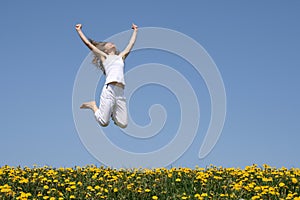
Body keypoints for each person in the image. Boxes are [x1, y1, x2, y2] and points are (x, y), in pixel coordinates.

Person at [75, 23, 138, 128]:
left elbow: (130, 45)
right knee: (104, 122)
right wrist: (79, 31)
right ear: (105, 50)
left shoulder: (121, 57)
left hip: (120, 92)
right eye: (108, 44)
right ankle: (93, 106)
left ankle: (113, 112)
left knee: (123, 124)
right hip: (110, 90)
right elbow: (88, 44)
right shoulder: (104, 57)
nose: (111, 43)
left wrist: (135, 31)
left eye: (112, 43)